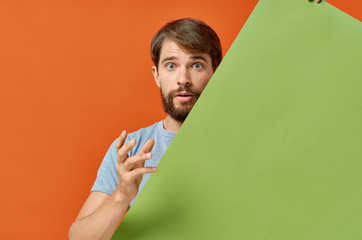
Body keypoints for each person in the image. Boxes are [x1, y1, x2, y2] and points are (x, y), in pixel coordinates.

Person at [68, 18, 222, 240]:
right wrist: (122, 195)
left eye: (196, 65)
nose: (183, 79)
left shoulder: (244, 144)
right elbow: (79, 238)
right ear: (157, 75)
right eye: (171, 65)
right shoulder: (130, 152)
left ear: (216, 72)